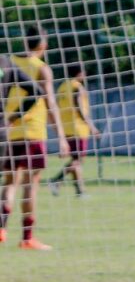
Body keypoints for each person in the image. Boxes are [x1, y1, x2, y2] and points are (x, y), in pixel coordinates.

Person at [0, 26, 69, 250]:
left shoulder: (8, 61)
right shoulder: (42, 69)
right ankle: (28, 237)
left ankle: (1, 230)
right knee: (31, 185)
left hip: (9, 132)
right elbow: (48, 102)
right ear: (43, 45)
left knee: (9, 183)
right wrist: (60, 136)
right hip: (33, 132)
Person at [50, 60, 100, 198]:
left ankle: (80, 191)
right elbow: (79, 109)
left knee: (75, 160)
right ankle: (56, 180)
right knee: (78, 160)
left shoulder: (62, 87)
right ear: (80, 73)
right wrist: (92, 127)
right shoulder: (77, 87)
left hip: (66, 128)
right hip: (78, 128)